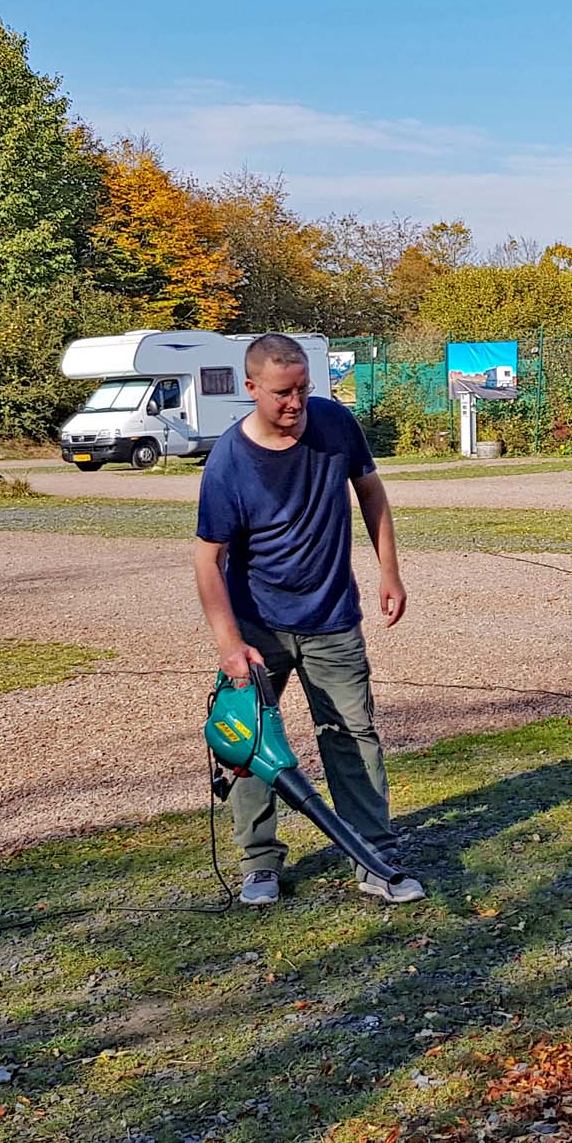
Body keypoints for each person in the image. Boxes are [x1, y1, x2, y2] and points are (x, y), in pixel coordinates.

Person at [193, 333, 422, 906]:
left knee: (352, 734)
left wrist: (388, 572)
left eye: (303, 389)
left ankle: (372, 854)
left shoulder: (335, 424)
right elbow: (207, 559)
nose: (295, 404)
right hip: (257, 624)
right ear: (250, 389)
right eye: (281, 394)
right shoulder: (228, 462)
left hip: (332, 617)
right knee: (248, 744)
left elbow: (372, 494)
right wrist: (229, 644)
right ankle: (260, 863)